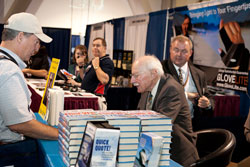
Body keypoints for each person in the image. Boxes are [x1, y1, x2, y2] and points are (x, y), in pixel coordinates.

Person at [0, 12, 58, 145]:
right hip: (10, 151)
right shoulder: (8, 70)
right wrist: (60, 134)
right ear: (20, 37)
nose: (37, 48)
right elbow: (19, 124)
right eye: (36, 42)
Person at [131, 55, 199, 166]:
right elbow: (139, 117)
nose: (132, 80)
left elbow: (158, 127)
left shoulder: (171, 89)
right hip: (155, 152)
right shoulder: (146, 88)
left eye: (136, 75)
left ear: (153, 74)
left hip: (176, 157)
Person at [162, 35, 214, 130]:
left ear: (190, 53)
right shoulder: (160, 69)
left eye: (184, 51)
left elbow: (207, 95)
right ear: (170, 50)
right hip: (166, 124)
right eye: (176, 50)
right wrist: (186, 95)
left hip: (191, 125)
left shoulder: (199, 74)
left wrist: (207, 103)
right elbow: (161, 94)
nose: (179, 54)